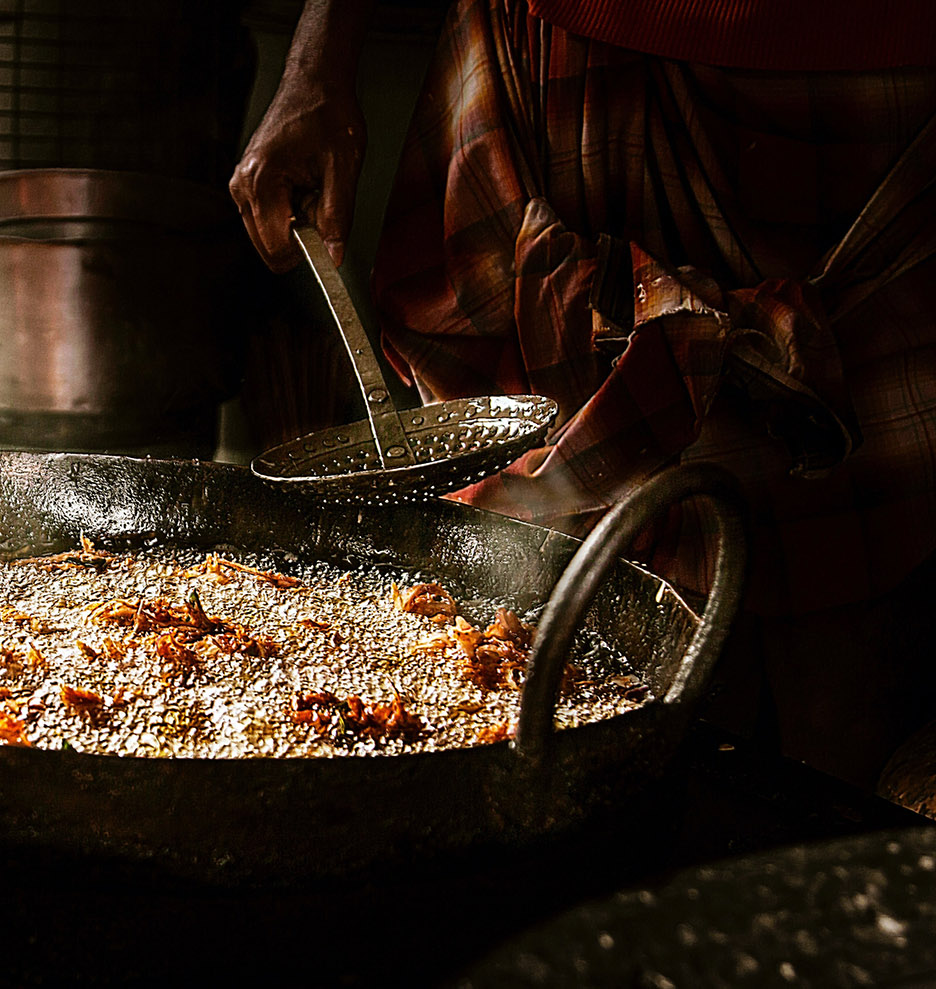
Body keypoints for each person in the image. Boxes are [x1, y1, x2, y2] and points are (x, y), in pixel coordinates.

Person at [232, 0, 936, 789]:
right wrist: (317, 63)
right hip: (578, 49)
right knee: (567, 664)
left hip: (867, 78)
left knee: (846, 689)